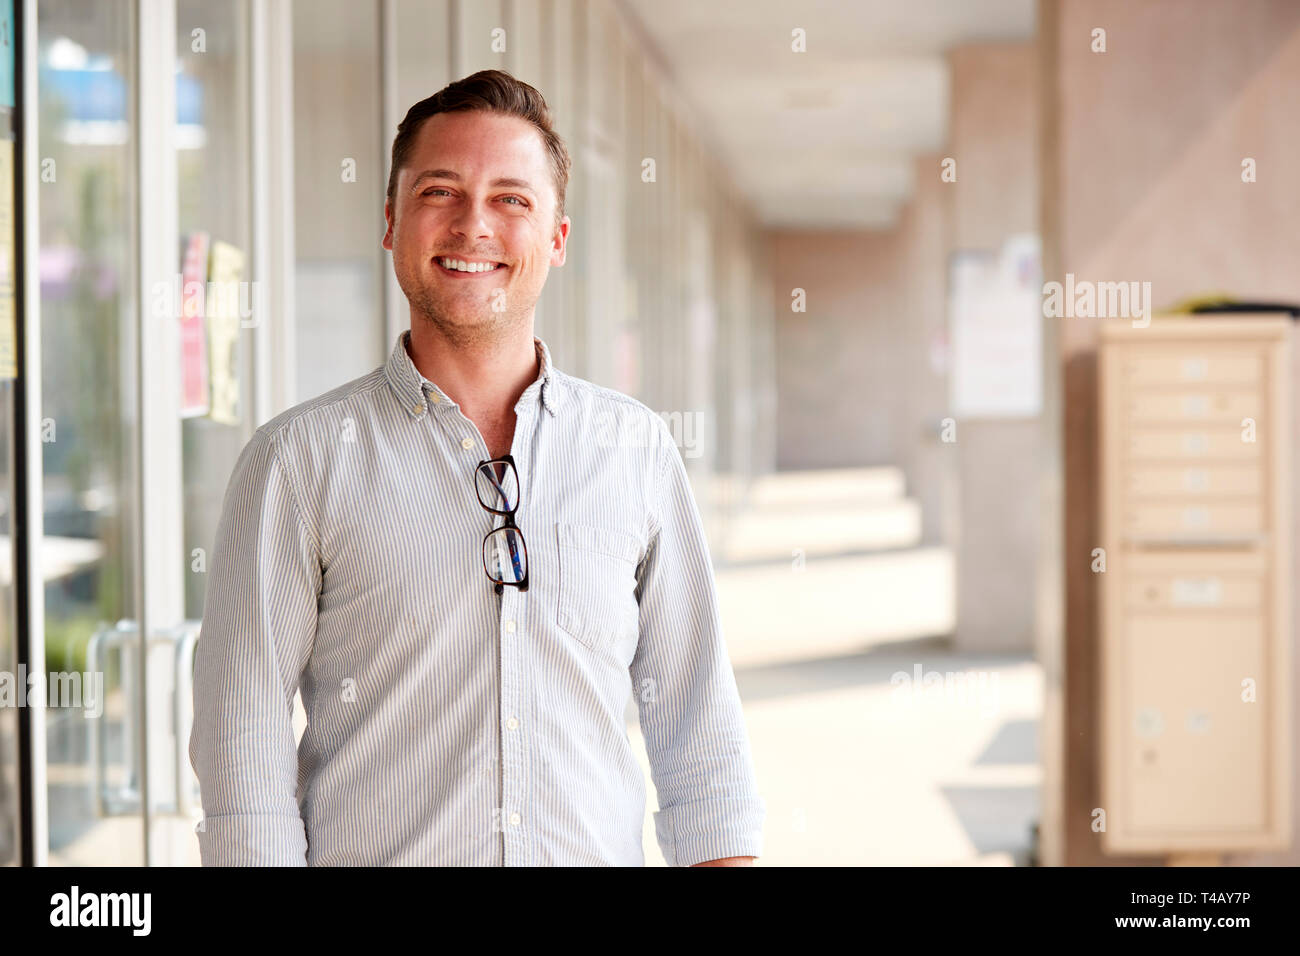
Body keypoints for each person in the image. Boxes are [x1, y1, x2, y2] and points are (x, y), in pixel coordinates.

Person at [188, 69, 764, 866]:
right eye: (439, 192)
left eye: (512, 199)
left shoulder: (635, 451)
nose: (473, 226)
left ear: (557, 239)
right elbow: (241, 744)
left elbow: (700, 735)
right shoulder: (298, 462)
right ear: (392, 221)